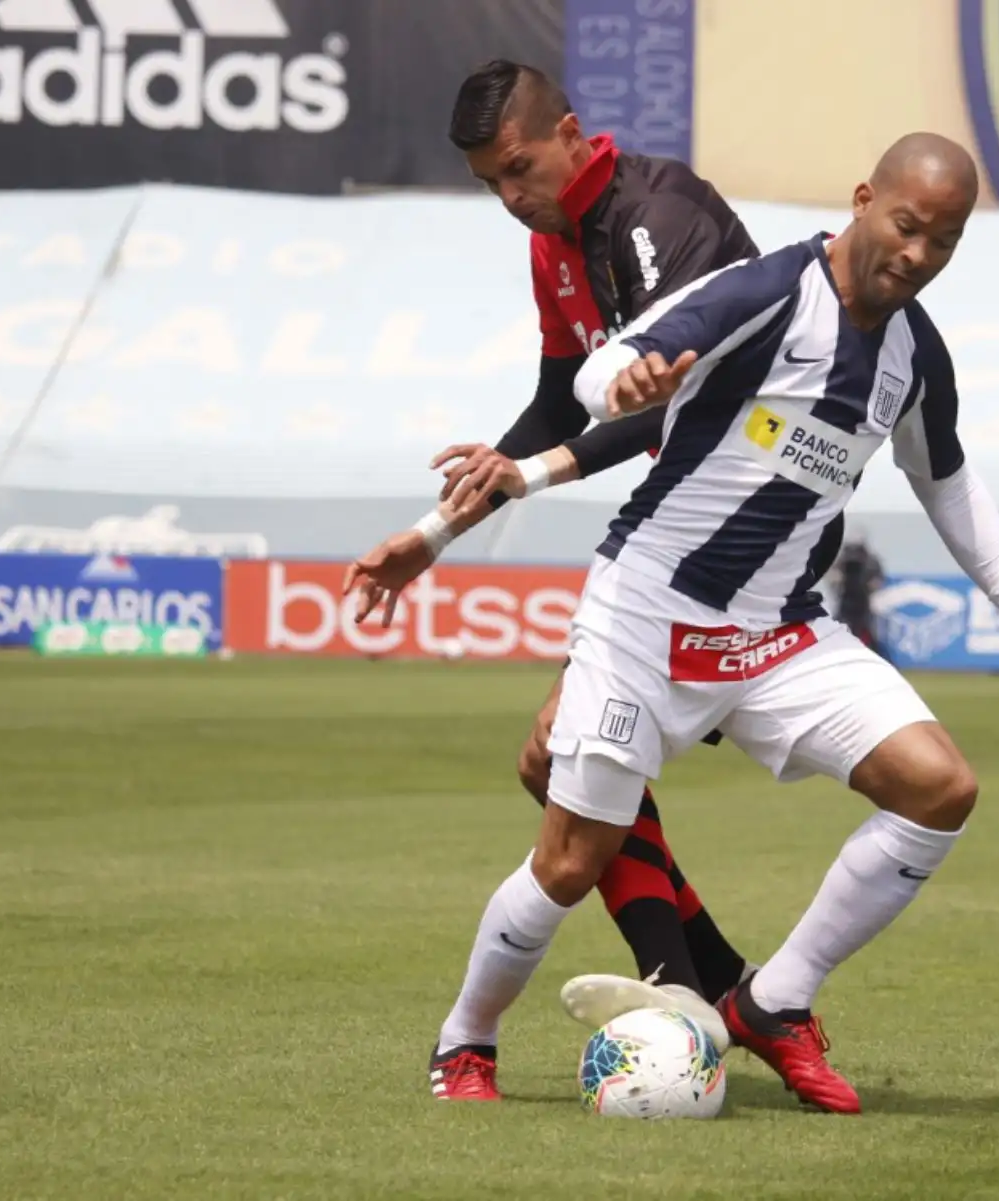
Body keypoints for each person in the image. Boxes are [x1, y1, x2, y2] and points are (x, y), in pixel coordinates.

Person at [423, 132, 999, 1115]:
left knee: (939, 787)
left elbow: (943, 475)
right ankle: (464, 1041)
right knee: (570, 861)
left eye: (943, 242)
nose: (917, 253)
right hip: (645, 617)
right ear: (865, 199)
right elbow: (602, 373)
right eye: (907, 225)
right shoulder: (768, 293)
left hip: (778, 635)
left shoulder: (914, 353)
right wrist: (628, 382)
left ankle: (772, 1001)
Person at [340, 60, 843, 1099]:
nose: (511, 197)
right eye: (490, 183)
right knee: (556, 765)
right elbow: (558, 409)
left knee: (558, 773)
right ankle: (723, 989)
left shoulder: (663, 214)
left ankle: (633, 1001)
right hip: (679, 539)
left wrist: (519, 478)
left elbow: (664, 409)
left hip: (738, 548)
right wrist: (433, 532)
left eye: (519, 169)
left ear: (570, 132)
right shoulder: (553, 244)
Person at [831, 537, 887, 656]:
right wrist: (837, 583)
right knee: (834, 628)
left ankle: (879, 657)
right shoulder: (842, 560)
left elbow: (878, 579)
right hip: (845, 601)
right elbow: (833, 577)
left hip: (862, 602)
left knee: (868, 632)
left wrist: (870, 586)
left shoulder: (870, 561)